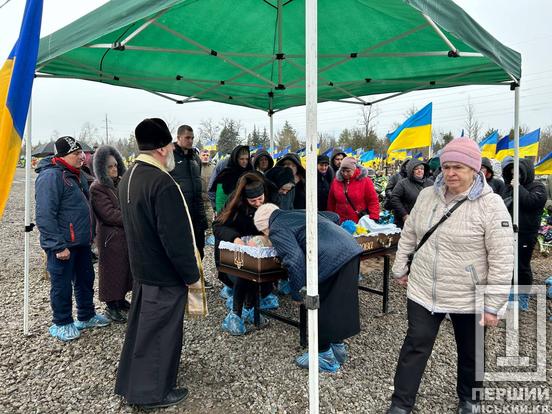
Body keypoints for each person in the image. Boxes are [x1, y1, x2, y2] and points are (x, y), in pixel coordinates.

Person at [386, 138, 514, 414]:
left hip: (467, 293)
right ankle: (401, 402)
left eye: (458, 167)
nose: (451, 173)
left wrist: (493, 303)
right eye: (446, 166)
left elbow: (503, 258)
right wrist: (400, 267)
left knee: (471, 350)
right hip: (424, 289)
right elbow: (409, 234)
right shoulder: (426, 196)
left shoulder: (491, 206)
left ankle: (470, 398)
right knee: (415, 345)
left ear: (474, 169)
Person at [115, 118, 201, 410]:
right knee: (162, 335)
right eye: (172, 148)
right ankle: (154, 393)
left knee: (143, 332)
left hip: (142, 269)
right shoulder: (162, 182)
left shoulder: (130, 175)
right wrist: (191, 275)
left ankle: (132, 382)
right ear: (165, 148)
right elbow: (174, 239)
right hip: (163, 275)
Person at [253, 204, 363, 372]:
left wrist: (298, 294)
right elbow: (333, 216)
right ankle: (337, 348)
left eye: (264, 232)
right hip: (350, 248)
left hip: (329, 257)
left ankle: (324, 356)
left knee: (320, 305)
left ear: (265, 227)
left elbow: (293, 259)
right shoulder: (298, 212)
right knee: (337, 303)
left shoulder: (276, 228)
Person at [35, 136, 111, 342]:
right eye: (76, 153)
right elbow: (44, 214)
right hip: (63, 246)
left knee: (86, 280)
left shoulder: (75, 175)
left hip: (81, 243)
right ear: (62, 155)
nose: (82, 157)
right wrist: (57, 245)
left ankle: (86, 315)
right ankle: (62, 322)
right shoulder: (51, 177)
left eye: (81, 153)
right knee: (62, 285)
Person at [213, 172, 279, 335]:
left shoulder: (271, 201)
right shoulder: (234, 203)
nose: (257, 203)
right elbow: (218, 226)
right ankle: (236, 314)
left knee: (260, 280)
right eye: (253, 201)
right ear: (244, 199)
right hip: (236, 251)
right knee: (244, 274)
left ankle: (250, 310)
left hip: (261, 250)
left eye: (260, 199)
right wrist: (235, 238)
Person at [89, 145, 132, 323]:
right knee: (111, 273)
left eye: (115, 165)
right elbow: (108, 214)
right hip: (110, 239)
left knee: (124, 270)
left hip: (124, 236)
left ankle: (120, 299)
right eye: (109, 167)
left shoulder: (120, 183)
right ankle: (111, 306)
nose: (114, 169)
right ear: (101, 168)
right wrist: (132, 217)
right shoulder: (97, 187)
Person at [501, 157, 547, 310]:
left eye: (518, 173)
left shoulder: (538, 187)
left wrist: (518, 188)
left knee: (522, 265)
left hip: (526, 233)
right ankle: (510, 293)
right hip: (508, 232)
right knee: (508, 264)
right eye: (513, 174)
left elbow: (530, 202)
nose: (515, 177)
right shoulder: (508, 187)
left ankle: (522, 297)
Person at [170, 125, 208, 259]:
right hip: (180, 214)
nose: (190, 141)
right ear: (178, 137)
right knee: (183, 252)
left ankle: (199, 278)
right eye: (187, 138)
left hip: (197, 213)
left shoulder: (195, 159)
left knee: (199, 249)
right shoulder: (170, 158)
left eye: (192, 138)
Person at [327, 157, 379, 223]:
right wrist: (331, 218)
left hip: (359, 222)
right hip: (340, 221)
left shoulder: (365, 181)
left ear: (354, 169)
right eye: (343, 171)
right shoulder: (336, 181)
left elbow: (373, 200)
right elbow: (331, 201)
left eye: (348, 171)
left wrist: (374, 217)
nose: (345, 174)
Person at [389, 160, 433, 228]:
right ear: (411, 171)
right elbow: (394, 198)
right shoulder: (402, 184)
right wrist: (404, 215)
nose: (419, 171)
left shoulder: (430, 183)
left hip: (426, 221)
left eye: (421, 169)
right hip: (407, 221)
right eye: (416, 169)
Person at [210, 145, 253, 213]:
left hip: (248, 212)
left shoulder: (251, 173)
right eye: (241, 159)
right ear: (236, 159)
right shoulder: (225, 175)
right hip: (230, 213)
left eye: (247, 159)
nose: (245, 161)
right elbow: (220, 199)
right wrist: (221, 215)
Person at [199, 149, 215, 232]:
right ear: (199, 156)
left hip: (209, 200)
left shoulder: (213, 167)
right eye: (203, 155)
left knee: (209, 219)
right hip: (198, 200)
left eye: (207, 155)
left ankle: (208, 235)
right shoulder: (195, 166)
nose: (205, 157)